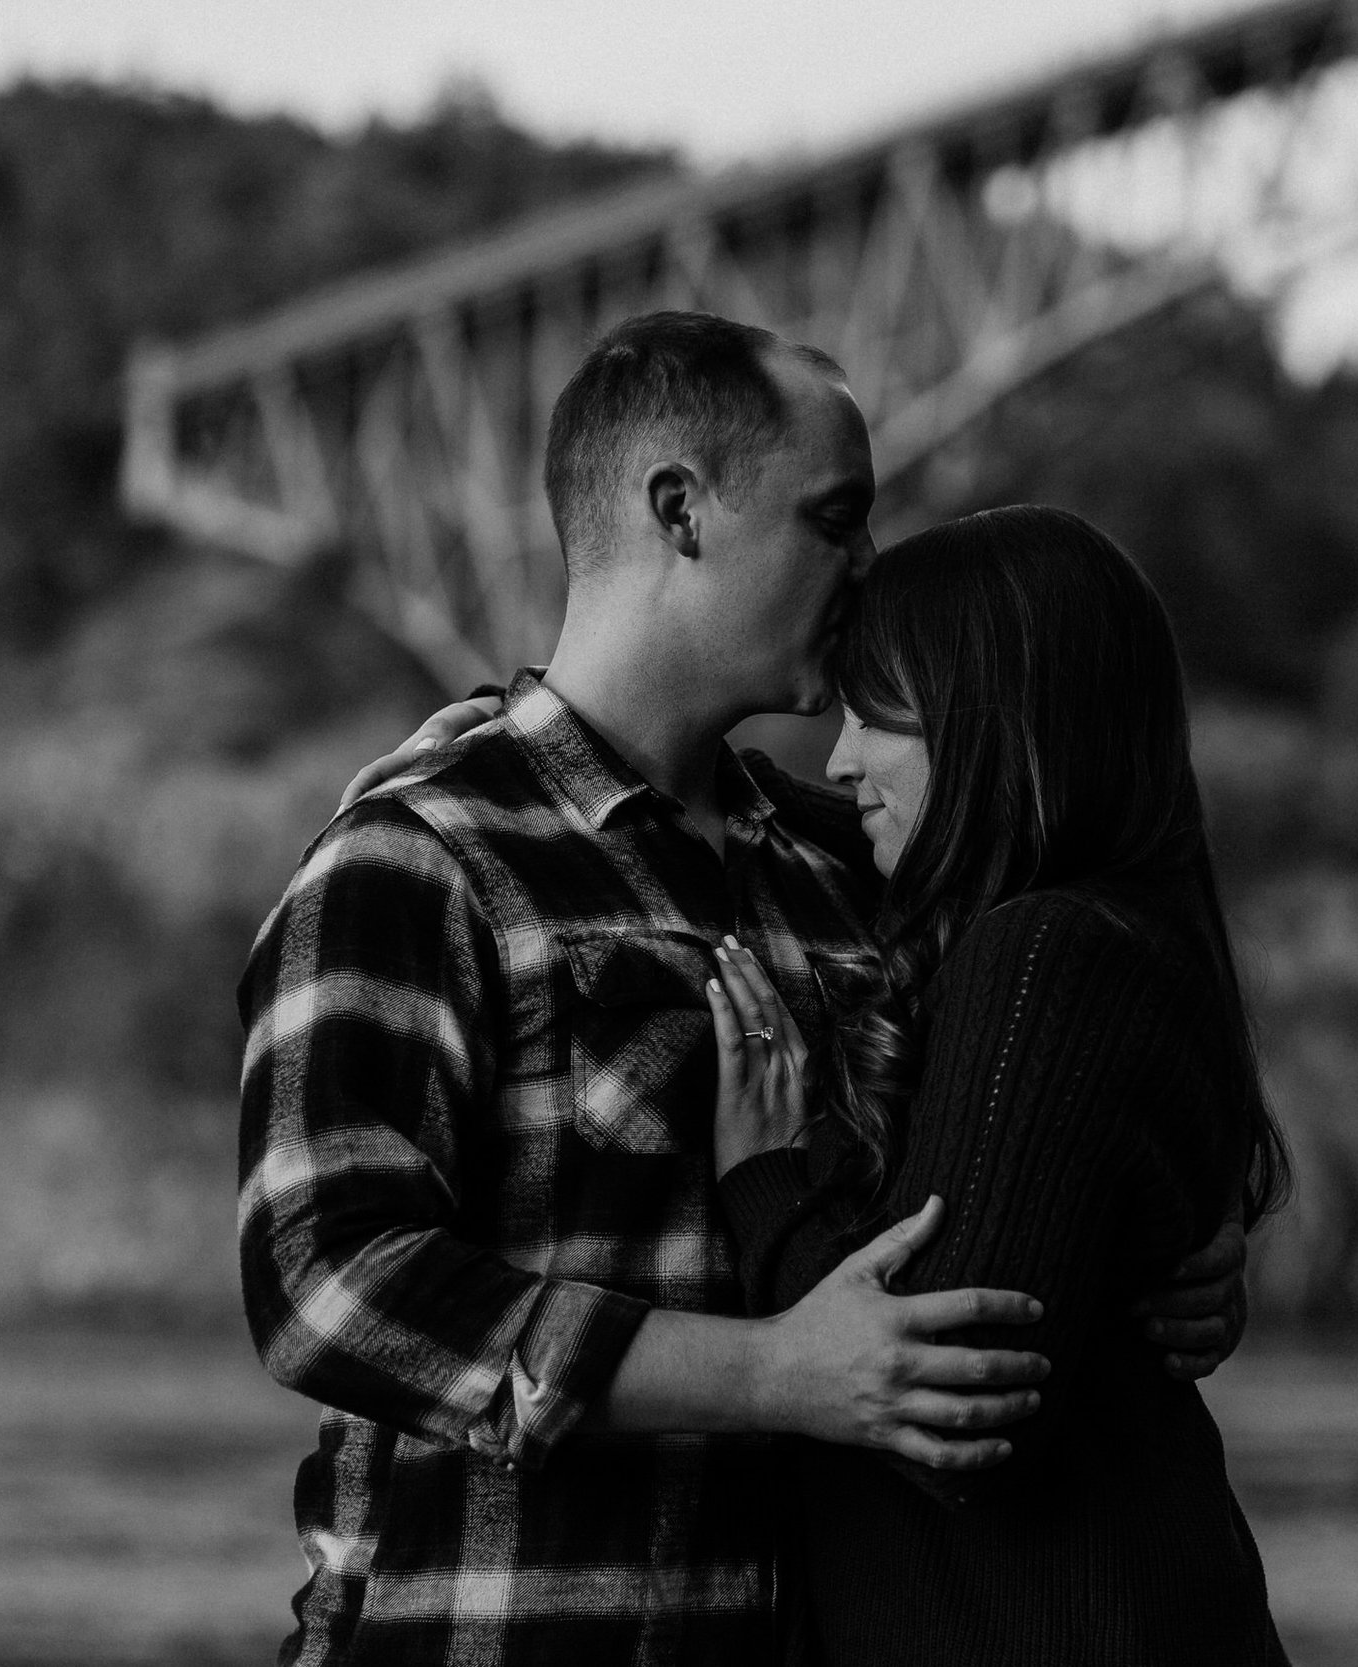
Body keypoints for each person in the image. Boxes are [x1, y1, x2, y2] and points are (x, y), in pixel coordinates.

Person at [238, 312, 1246, 1666]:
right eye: (836, 520)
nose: (868, 569)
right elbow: (326, 1278)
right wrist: (778, 1371)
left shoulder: (846, 866)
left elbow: (1010, 1155)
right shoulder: (422, 857)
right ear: (681, 512)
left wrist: (1168, 1249)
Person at [706, 505, 1293, 1666]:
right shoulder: (1128, 931)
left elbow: (947, 1416)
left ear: (994, 726)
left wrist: (764, 1182)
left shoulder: (1041, 953)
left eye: (880, 716)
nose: (839, 757)